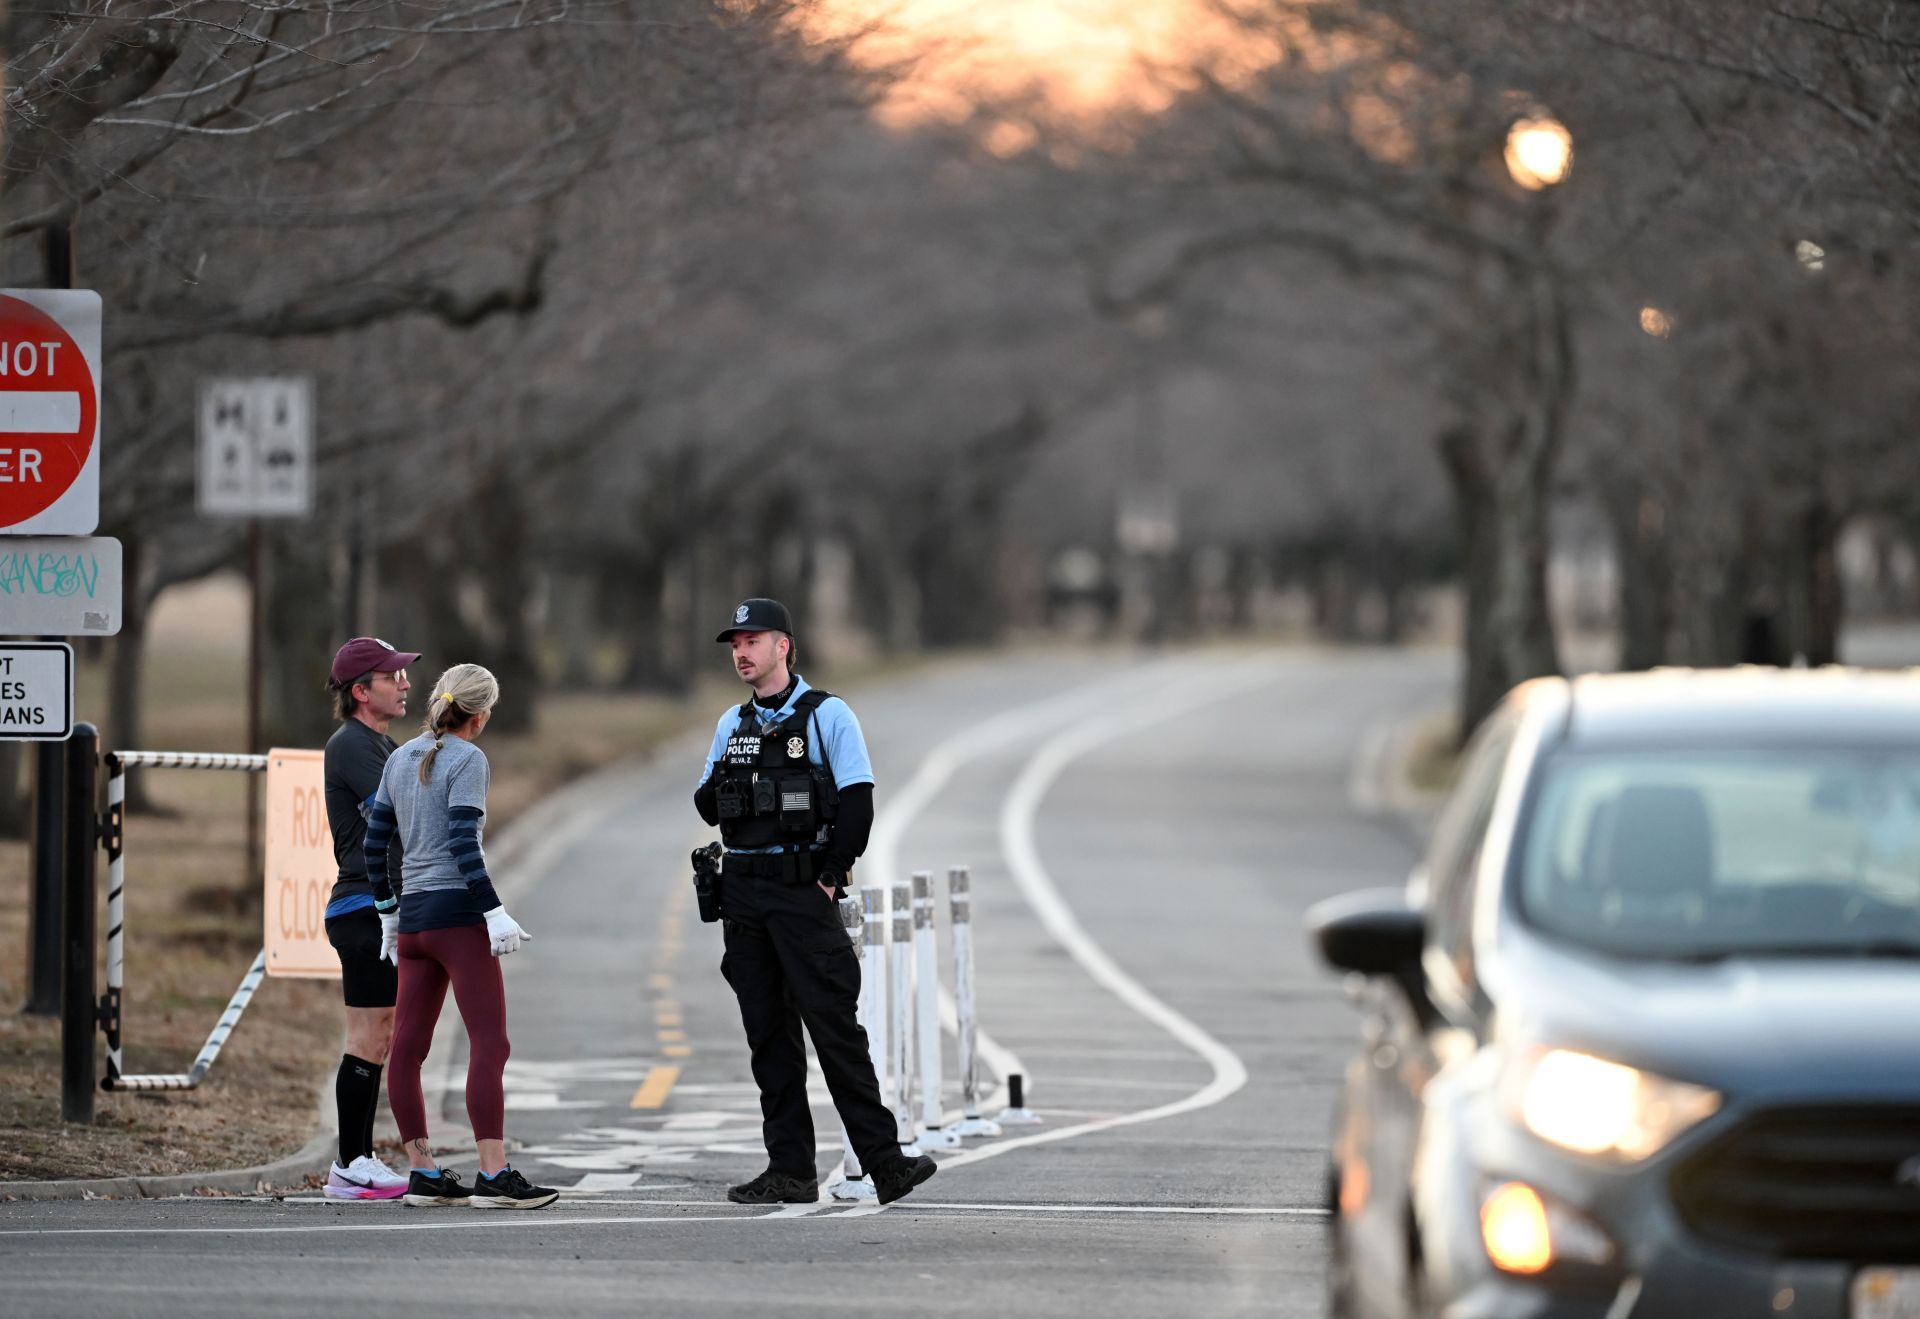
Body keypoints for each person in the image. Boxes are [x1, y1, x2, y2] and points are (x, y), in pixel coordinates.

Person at [695, 597, 937, 1206]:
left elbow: (857, 803)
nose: (741, 653)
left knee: (834, 1029)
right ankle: (790, 1171)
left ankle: (886, 1165)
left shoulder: (829, 715)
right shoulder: (732, 725)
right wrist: (737, 786)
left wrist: (829, 876)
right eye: (735, 644)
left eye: (753, 640)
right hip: (744, 894)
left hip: (803, 891)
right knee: (768, 1038)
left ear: (785, 646)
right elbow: (704, 803)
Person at [364, 662, 556, 1210]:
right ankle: (493, 1175)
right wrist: (493, 910)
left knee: (406, 1050)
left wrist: (387, 912)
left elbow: (375, 844)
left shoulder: (399, 757)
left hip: (415, 921)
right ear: (482, 714)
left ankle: (422, 1171)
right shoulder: (469, 759)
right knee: (490, 1044)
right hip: (457, 919)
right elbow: (463, 843)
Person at [320, 636, 422, 1201]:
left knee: (378, 1037)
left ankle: (356, 1159)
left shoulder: (383, 745)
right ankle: (350, 1161)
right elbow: (409, 807)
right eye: (392, 676)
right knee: (367, 1036)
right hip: (363, 906)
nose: (404, 683)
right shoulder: (352, 745)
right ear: (361, 692)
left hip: (384, 907)